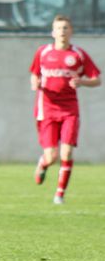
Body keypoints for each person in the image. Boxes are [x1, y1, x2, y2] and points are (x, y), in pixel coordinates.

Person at [29, 14, 101, 204]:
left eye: (66, 28)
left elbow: (97, 79)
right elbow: (34, 74)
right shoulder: (43, 52)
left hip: (70, 109)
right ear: (53, 32)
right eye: (59, 28)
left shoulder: (77, 54)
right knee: (51, 156)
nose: (62, 31)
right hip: (47, 109)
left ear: (71, 31)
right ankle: (43, 164)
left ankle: (59, 194)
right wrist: (35, 83)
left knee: (66, 153)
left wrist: (82, 82)